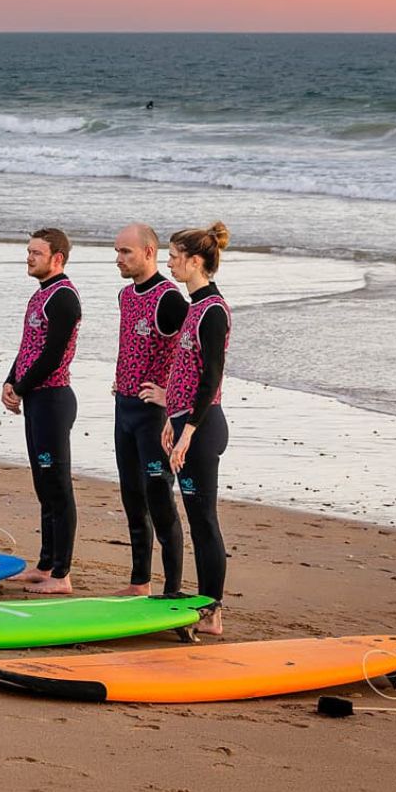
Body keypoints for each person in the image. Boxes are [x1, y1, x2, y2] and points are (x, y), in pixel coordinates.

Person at [141, 222, 232, 635]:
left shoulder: (212, 309)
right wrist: (168, 412)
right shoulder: (194, 304)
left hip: (203, 426)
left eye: (176, 255)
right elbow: (186, 370)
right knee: (197, 518)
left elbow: (212, 377)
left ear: (196, 261)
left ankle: (213, 612)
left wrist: (189, 430)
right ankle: (207, 605)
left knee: (203, 521)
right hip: (182, 421)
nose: (170, 262)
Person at [1, 228, 81, 594]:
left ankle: (61, 574)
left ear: (57, 258)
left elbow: (51, 356)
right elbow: (29, 347)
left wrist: (22, 386)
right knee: (43, 486)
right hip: (35, 397)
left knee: (58, 488)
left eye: (36, 252)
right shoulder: (41, 295)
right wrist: (10, 379)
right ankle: (45, 564)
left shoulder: (63, 297)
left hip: (53, 400)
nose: (29, 257)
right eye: (28, 251)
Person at [112, 223, 189, 596]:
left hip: (153, 418)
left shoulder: (169, 298)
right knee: (132, 497)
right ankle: (139, 582)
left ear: (149, 252)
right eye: (117, 252)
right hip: (124, 409)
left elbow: (199, 351)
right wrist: (121, 378)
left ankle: (172, 588)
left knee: (159, 500)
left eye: (126, 252)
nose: (119, 259)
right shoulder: (127, 296)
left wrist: (171, 393)